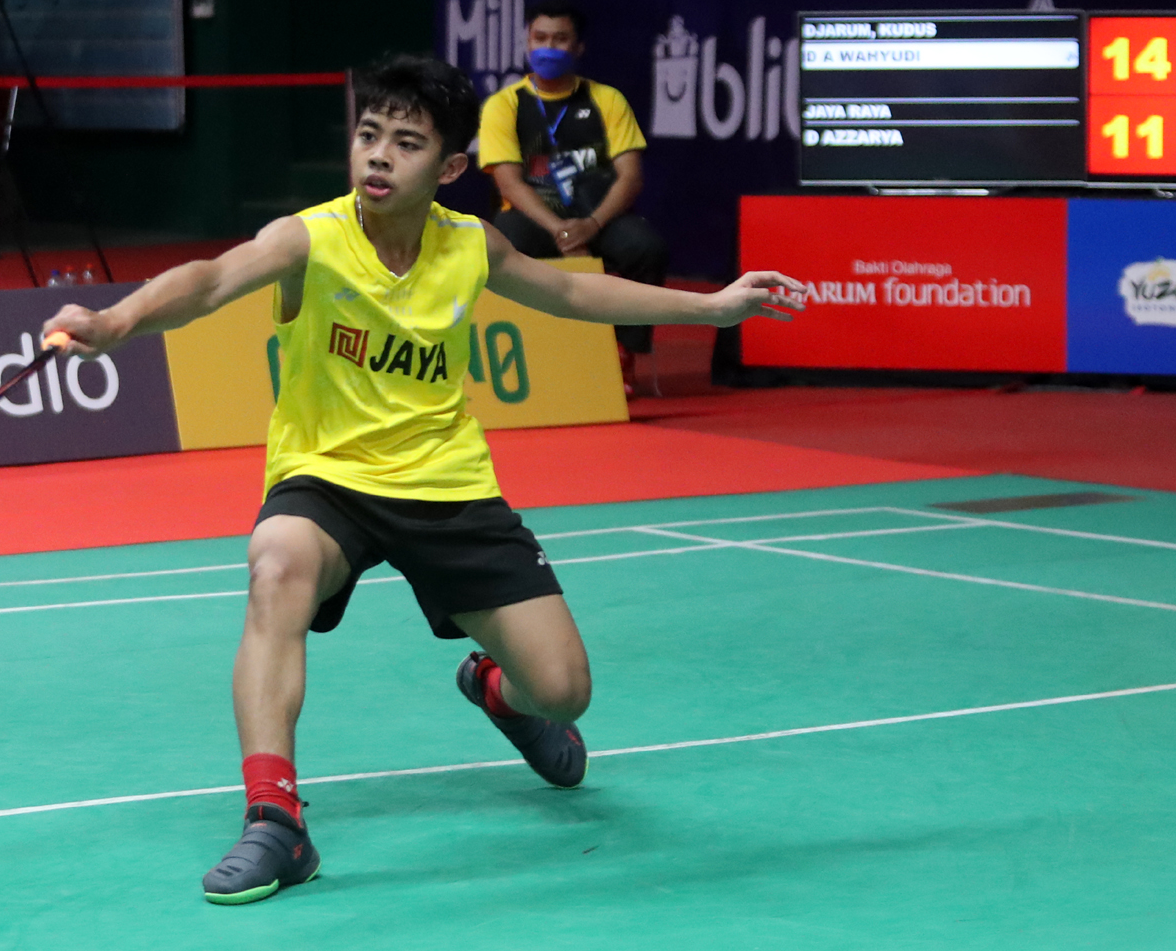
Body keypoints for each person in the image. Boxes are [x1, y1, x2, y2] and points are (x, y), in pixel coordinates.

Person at [43, 56, 801, 906]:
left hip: (446, 483)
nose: (378, 155)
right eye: (369, 135)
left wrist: (713, 307)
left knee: (565, 691)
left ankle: (498, 693)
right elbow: (212, 280)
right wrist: (115, 321)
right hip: (327, 478)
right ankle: (275, 821)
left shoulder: (470, 245)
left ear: (449, 168)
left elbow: (570, 295)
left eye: (406, 143)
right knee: (275, 566)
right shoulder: (309, 239)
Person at [477, 0, 668, 385]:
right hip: (534, 216)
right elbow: (509, 181)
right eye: (540, 38)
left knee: (645, 247)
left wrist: (591, 225)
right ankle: (527, 353)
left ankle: (622, 351)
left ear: (579, 47)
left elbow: (630, 177)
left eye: (560, 39)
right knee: (502, 245)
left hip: (597, 214)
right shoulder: (504, 105)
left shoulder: (606, 99)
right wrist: (561, 231)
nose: (548, 47)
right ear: (528, 42)